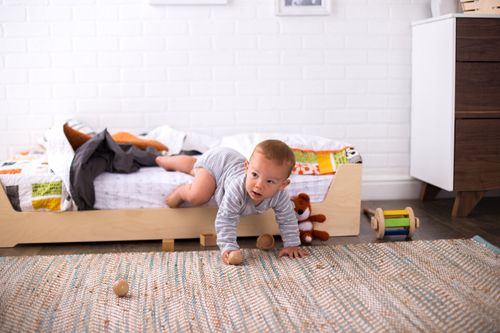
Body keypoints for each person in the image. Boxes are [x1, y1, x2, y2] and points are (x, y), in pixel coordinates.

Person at [156, 140, 307, 265]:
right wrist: (228, 247)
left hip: (228, 163)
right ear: (247, 168)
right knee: (199, 194)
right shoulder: (237, 188)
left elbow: (287, 217)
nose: (259, 185)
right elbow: (226, 218)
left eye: (269, 181)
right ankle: (181, 188)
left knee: (194, 168)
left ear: (282, 185)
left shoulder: (280, 196)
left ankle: (188, 163)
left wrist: (292, 244)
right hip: (218, 163)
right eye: (254, 174)